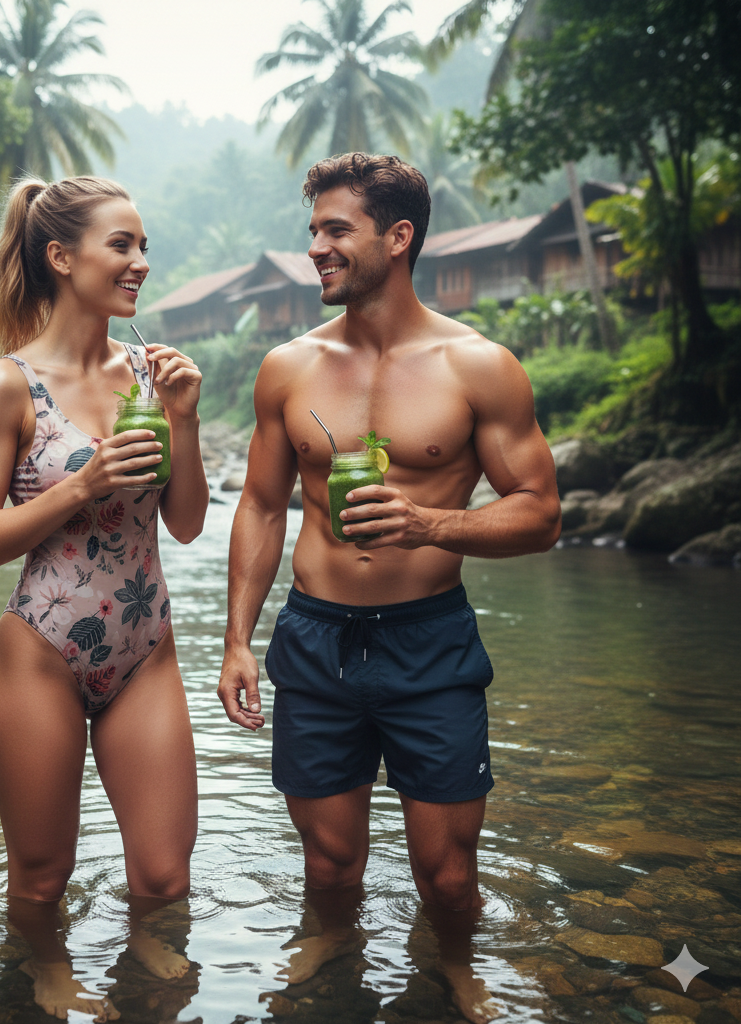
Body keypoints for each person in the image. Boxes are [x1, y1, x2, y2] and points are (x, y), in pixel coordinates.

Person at [216, 153, 561, 1023]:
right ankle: (331, 953)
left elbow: (541, 514)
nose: (317, 249)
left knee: (447, 874)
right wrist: (235, 641)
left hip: (429, 639)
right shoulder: (287, 368)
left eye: (337, 230)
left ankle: (453, 968)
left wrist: (431, 524)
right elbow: (260, 507)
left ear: (398, 237)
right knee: (329, 865)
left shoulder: (478, 366)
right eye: (313, 232)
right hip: (315, 638)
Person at [0, 175, 207, 1020]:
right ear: (61, 257)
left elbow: (186, 525)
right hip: (42, 656)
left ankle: (139, 983)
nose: (140, 262)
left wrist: (186, 421)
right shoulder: (5, 388)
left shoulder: (150, 373)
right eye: (121, 245)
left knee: (166, 875)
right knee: (40, 877)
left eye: (143, 246)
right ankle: (49, 976)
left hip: (145, 651)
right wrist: (79, 484)